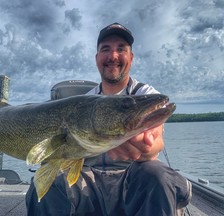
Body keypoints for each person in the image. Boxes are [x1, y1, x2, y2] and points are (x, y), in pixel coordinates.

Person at [26, 22, 192, 216]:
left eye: (121, 49)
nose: (113, 56)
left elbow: (156, 140)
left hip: (131, 181)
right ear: (97, 58)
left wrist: (147, 149)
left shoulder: (145, 94)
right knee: (48, 183)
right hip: (89, 180)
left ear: (131, 57)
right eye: (106, 49)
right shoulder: (85, 102)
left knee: (157, 174)